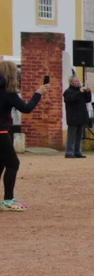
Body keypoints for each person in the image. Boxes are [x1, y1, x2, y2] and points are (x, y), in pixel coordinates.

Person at [0, 61, 48, 210]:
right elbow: (26, 108)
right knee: (13, 163)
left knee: (1, 164)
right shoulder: (8, 93)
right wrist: (38, 94)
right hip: (1, 132)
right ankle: (8, 199)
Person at [63, 75, 91, 158]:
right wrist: (80, 92)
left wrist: (88, 91)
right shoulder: (68, 92)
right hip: (73, 117)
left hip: (81, 116)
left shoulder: (81, 91)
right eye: (75, 81)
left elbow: (88, 99)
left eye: (78, 81)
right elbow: (71, 99)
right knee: (71, 135)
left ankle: (77, 151)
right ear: (71, 82)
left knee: (79, 136)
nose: (78, 83)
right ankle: (69, 152)